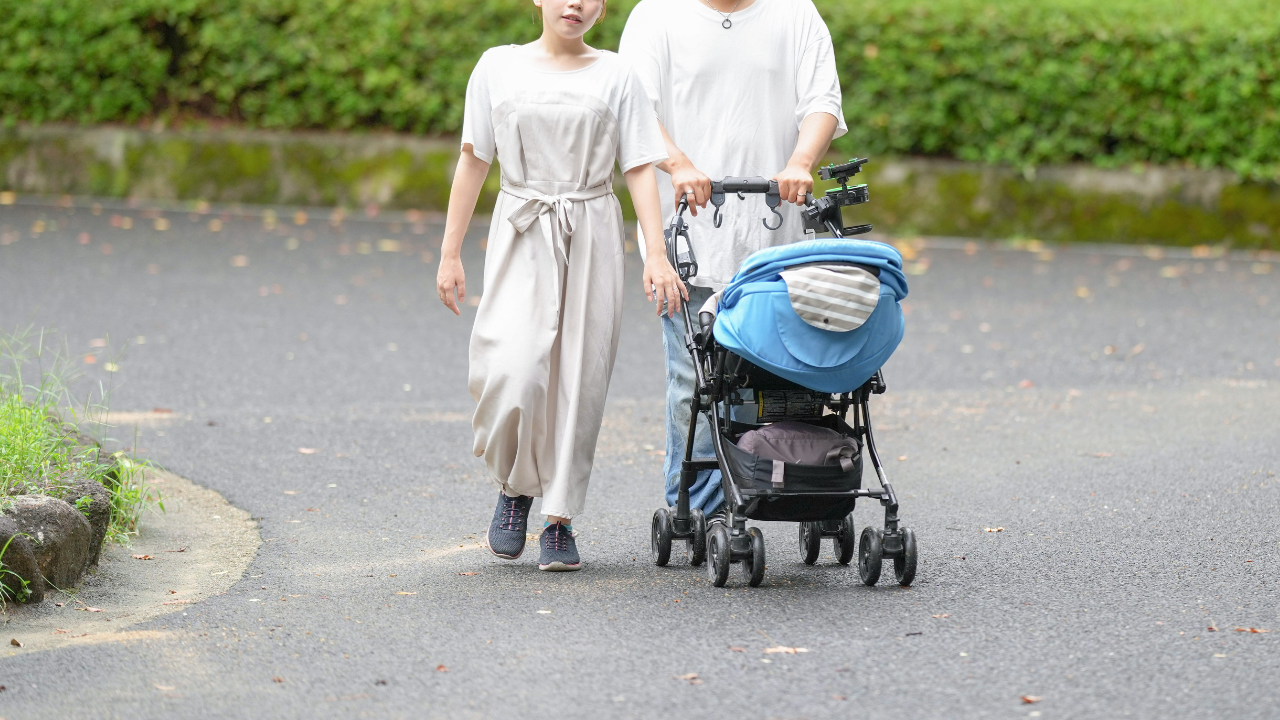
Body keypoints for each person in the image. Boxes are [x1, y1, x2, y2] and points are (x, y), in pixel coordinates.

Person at [437, 0, 685, 571]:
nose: (575, 3)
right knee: (513, 369)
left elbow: (638, 166)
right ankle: (515, 486)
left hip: (592, 229)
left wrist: (656, 254)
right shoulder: (497, 66)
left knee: (579, 376)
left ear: (603, 7)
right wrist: (450, 253)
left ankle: (558, 518)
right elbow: (473, 160)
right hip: (522, 226)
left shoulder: (618, 74)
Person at [619, 0, 846, 521]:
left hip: (777, 243)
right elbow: (635, 111)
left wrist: (800, 161)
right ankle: (699, 508)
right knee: (693, 383)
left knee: (781, 379)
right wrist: (678, 164)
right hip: (691, 239)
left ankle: (789, 484)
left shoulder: (795, 13)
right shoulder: (656, 15)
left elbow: (823, 101)